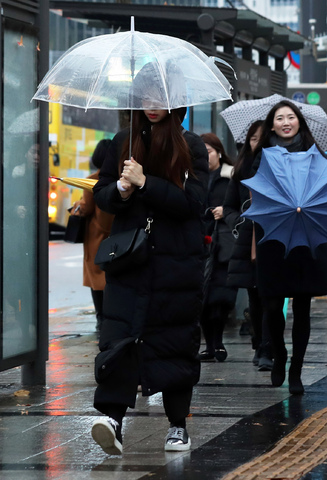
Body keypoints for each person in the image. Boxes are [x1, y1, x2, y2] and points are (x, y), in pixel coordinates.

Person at [90, 90, 209, 454]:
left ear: (176, 104)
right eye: (146, 99)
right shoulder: (123, 142)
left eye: (160, 99)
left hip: (176, 263)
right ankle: (113, 418)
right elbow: (101, 194)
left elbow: (192, 204)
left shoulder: (191, 147)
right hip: (130, 260)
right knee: (119, 337)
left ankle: (177, 426)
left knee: (173, 340)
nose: (152, 106)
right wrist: (121, 190)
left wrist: (145, 183)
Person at [251, 101, 327, 395]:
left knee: (302, 306)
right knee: (272, 306)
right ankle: (280, 353)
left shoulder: (316, 154)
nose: (286, 122)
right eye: (279, 118)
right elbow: (247, 185)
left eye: (291, 117)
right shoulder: (259, 155)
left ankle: (296, 367)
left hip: (307, 235)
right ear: (271, 125)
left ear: (299, 122)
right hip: (272, 235)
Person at [223, 120, 274, 371]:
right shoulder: (241, 170)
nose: (258, 143)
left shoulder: (278, 166)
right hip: (249, 238)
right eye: (253, 138)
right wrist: (238, 222)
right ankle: (259, 341)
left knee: (271, 295)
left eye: (262, 138)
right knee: (254, 295)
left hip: (274, 235)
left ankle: (267, 346)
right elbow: (229, 206)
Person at [199, 133, 237, 362]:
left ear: (219, 152)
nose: (205, 157)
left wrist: (226, 211)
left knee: (220, 298)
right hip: (201, 243)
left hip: (224, 244)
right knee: (202, 297)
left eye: (209, 152)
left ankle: (218, 343)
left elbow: (242, 205)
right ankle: (209, 345)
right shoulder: (194, 177)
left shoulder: (231, 176)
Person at [70, 139, 115, 336]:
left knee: (96, 279)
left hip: (96, 236)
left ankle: (101, 318)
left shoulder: (92, 180)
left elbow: (86, 208)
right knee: (110, 278)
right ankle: (110, 317)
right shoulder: (117, 179)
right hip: (114, 234)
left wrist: (76, 205)